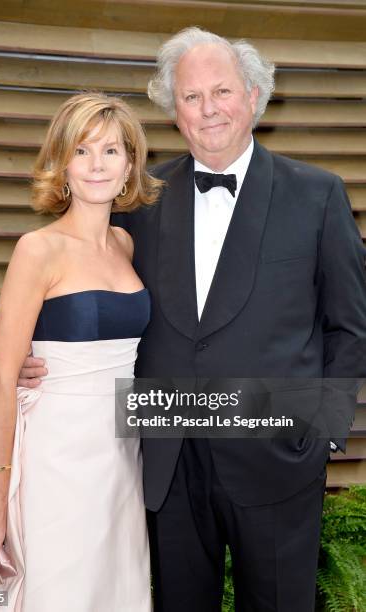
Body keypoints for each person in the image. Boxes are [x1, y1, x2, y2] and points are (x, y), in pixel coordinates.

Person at [18, 28, 366, 612]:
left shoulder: (319, 194)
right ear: (172, 111)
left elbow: (352, 326)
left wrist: (320, 432)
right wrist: (43, 361)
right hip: (165, 457)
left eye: (222, 91)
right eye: (191, 96)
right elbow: (91, 291)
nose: (209, 109)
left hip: (277, 455)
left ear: (253, 96)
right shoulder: (140, 202)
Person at [0, 92, 162, 611]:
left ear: (130, 164)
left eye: (111, 151)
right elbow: (2, 378)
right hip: (53, 459)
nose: (97, 165)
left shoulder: (127, 245)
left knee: (109, 587)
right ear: (63, 164)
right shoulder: (37, 248)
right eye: (83, 151)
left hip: (120, 455)